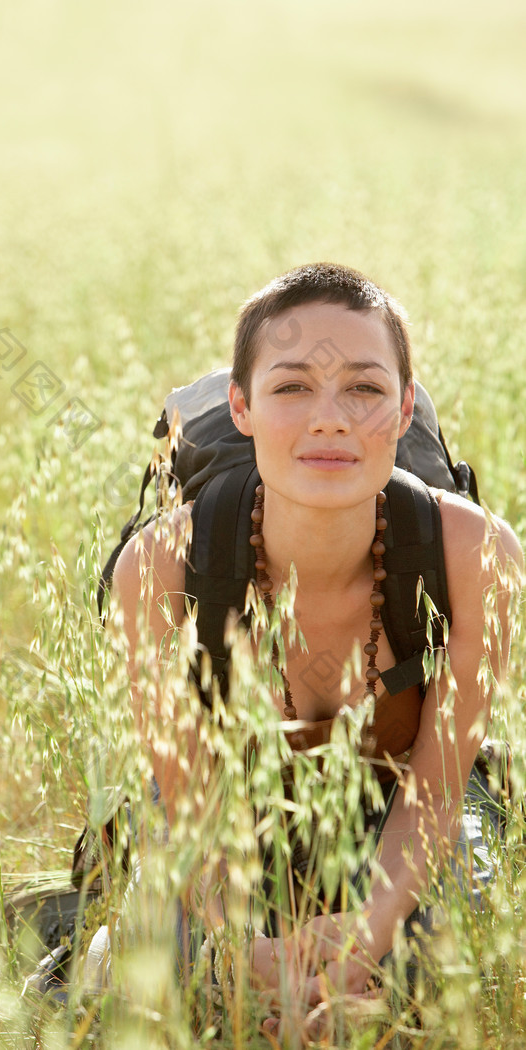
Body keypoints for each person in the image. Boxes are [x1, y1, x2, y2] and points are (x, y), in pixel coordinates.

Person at [110, 263, 523, 1035]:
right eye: (292, 387)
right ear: (242, 406)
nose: (329, 418)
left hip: (402, 810)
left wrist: (366, 940)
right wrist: (250, 958)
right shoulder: (161, 567)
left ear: (404, 410)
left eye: (364, 389)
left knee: (465, 947)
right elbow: (195, 806)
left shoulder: (477, 556)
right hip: (228, 819)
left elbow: (432, 793)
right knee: (163, 968)